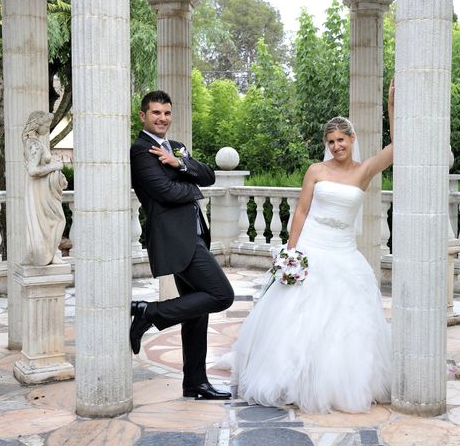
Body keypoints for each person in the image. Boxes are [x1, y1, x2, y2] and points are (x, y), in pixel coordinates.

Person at [224, 80, 395, 414]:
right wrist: (291, 252)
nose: (335, 147)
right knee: (298, 318)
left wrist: (391, 106)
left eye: (341, 140)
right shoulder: (316, 171)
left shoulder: (364, 172)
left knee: (347, 322)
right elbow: (301, 211)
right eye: (330, 142)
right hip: (312, 248)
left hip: (344, 252)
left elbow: (397, 147)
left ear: (352, 140)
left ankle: (342, 383)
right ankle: (292, 380)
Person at [129, 90, 234, 400]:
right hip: (176, 240)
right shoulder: (139, 151)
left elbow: (209, 175)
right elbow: (164, 192)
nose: (162, 118)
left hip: (196, 236)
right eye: (156, 113)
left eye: (167, 113)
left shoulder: (175, 147)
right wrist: (190, 182)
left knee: (197, 312)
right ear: (143, 116)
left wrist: (179, 162)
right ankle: (150, 312)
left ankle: (195, 383)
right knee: (221, 294)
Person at [22, 111, 68, 266]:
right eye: (46, 125)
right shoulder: (34, 144)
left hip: (41, 189)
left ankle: (47, 253)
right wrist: (54, 166)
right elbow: (33, 171)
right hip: (38, 190)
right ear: (37, 124)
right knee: (57, 219)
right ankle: (46, 254)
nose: (48, 129)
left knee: (48, 221)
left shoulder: (33, 142)